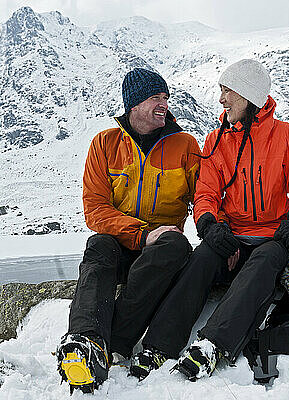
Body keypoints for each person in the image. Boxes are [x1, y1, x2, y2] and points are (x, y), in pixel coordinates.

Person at [128, 59, 289, 381]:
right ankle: (158, 346)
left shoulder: (287, 136)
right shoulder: (216, 141)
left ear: (249, 95)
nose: (222, 99)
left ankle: (212, 345)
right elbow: (205, 194)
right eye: (221, 90)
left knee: (265, 259)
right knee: (201, 258)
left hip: (273, 238)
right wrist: (210, 227)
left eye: (227, 91)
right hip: (231, 238)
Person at [56, 67, 200, 392]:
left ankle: (114, 344)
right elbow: (95, 209)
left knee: (176, 246)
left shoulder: (186, 145)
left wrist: (219, 232)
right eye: (155, 98)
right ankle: (85, 340)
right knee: (98, 245)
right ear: (133, 104)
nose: (163, 104)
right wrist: (141, 233)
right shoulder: (104, 144)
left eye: (166, 97)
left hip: (160, 251)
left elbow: (204, 198)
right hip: (121, 243)